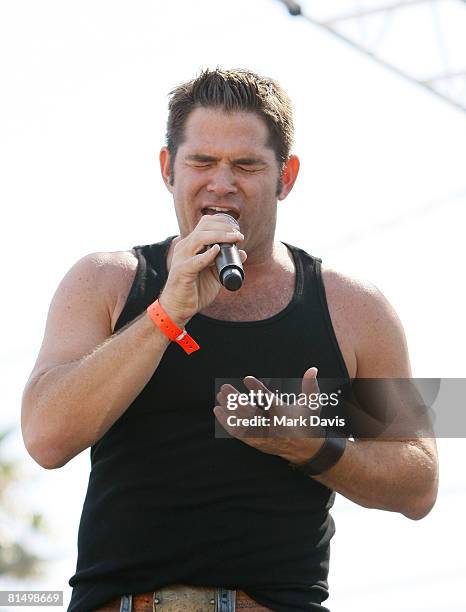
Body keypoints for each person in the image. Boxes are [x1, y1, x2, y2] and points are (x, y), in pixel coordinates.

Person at [21, 68, 438, 612]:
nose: (221, 183)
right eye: (202, 162)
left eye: (245, 165)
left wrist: (315, 448)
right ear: (169, 168)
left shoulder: (354, 306)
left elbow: (420, 480)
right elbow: (46, 438)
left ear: (285, 177)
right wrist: (167, 313)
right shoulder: (105, 280)